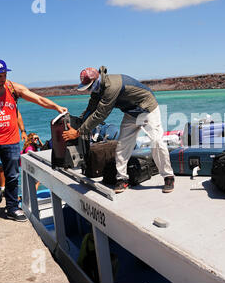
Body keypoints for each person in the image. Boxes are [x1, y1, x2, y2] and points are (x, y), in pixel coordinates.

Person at [0, 59, 67, 231]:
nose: (3, 78)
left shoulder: (13, 88)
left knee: (12, 176)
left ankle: (12, 208)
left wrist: (56, 107)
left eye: (5, 74)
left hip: (11, 141)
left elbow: (38, 99)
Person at [62, 66, 175, 194]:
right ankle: (122, 179)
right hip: (131, 112)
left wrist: (78, 132)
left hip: (147, 109)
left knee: (157, 142)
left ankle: (168, 176)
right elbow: (91, 108)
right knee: (122, 146)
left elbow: (100, 114)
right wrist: (78, 125)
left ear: (95, 80)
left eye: (88, 86)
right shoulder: (97, 89)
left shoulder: (111, 87)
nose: (88, 90)